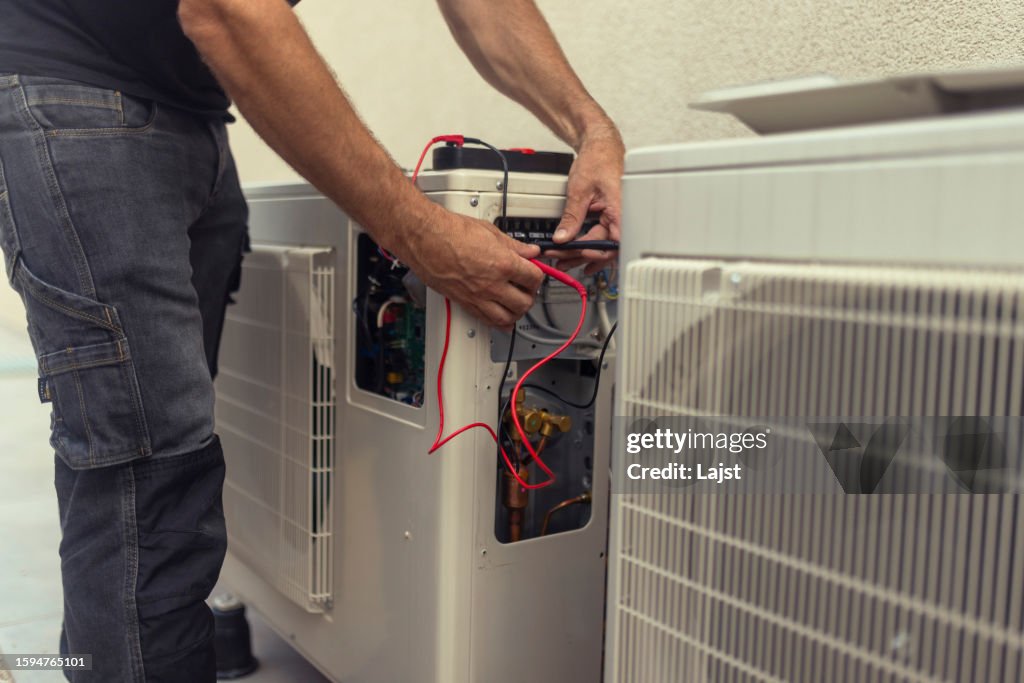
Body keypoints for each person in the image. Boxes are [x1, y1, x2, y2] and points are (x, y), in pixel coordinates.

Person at [0, 0, 624, 680]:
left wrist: (591, 128)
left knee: (156, 452)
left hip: (192, 111)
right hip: (70, 94)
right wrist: (421, 236)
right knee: (145, 469)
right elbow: (227, 9)